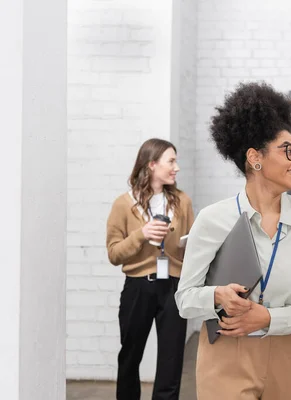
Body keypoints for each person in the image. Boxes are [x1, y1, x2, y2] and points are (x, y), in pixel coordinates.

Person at [174, 82, 291, 400]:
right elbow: (185, 300)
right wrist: (217, 296)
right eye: (288, 151)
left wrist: (269, 318)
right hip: (225, 352)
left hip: (290, 352)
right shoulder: (212, 219)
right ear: (255, 158)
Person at [106, 138, 195, 400]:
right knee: (130, 357)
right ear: (152, 164)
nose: (176, 167)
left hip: (173, 287)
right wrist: (142, 234)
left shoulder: (182, 201)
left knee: (171, 360)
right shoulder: (123, 204)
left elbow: (189, 247)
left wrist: (188, 246)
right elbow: (114, 254)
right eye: (171, 161)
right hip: (138, 286)